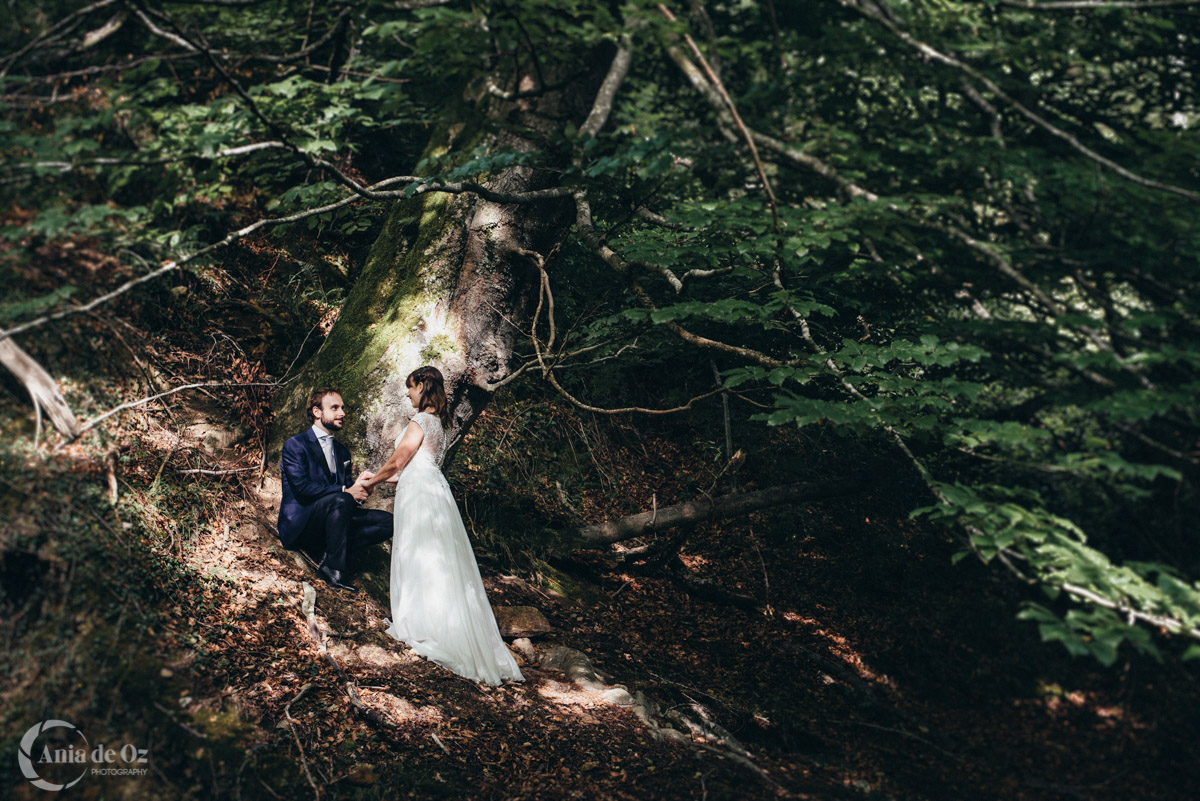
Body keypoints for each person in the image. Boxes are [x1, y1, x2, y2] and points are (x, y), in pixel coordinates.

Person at [362, 366, 524, 686]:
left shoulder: (420, 420)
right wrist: (376, 478)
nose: (407, 394)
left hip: (420, 492)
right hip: (432, 490)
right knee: (436, 559)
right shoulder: (440, 426)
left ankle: (423, 626)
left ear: (422, 385)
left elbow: (397, 463)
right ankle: (438, 624)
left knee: (419, 554)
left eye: (410, 387)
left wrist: (369, 483)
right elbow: (405, 468)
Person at [278, 388, 392, 592]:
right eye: (335, 408)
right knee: (342, 499)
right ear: (317, 412)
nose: (342, 413)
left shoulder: (342, 451)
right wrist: (345, 491)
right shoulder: (295, 445)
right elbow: (302, 488)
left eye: (342, 408)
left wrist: (362, 489)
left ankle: (329, 552)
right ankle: (333, 569)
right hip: (302, 524)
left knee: (388, 522)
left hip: (334, 518)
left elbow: (345, 496)